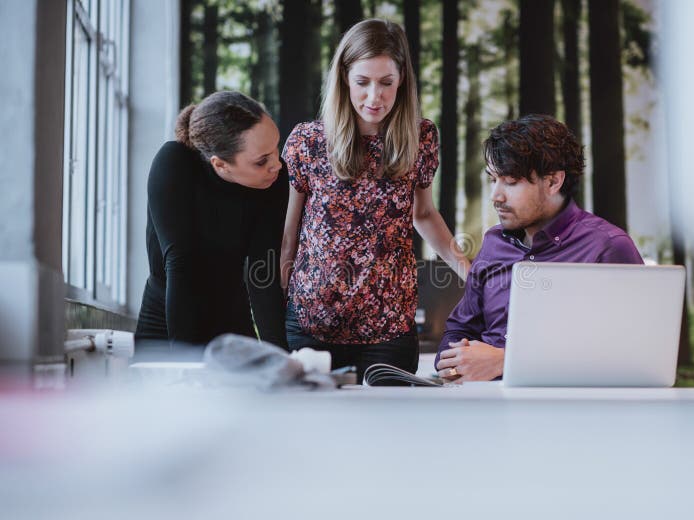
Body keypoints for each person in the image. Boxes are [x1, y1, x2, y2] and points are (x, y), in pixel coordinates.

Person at [281, 19, 470, 381]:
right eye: (362, 83)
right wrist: (280, 301)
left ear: (402, 81)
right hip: (311, 324)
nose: (374, 97)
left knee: (390, 432)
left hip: (389, 327)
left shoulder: (421, 136)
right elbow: (289, 233)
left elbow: (424, 213)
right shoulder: (307, 141)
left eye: (386, 83)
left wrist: (468, 271)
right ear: (344, 79)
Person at [435, 114, 643, 382]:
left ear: (553, 181)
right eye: (492, 179)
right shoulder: (493, 242)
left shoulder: (608, 248)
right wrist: (455, 365)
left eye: (510, 182)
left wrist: (506, 361)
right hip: (482, 405)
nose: (495, 196)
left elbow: (629, 352)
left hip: (564, 411)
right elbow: (459, 328)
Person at [135, 91, 288, 347]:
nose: (277, 164)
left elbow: (262, 273)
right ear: (220, 165)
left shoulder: (273, 180)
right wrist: (184, 364)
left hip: (231, 323)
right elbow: (180, 265)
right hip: (167, 318)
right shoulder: (175, 163)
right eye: (262, 161)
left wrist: (279, 355)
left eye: (276, 149)